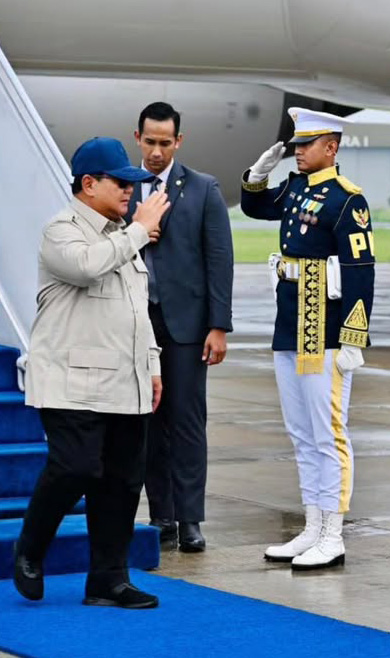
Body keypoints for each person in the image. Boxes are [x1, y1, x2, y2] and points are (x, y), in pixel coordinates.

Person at [12, 137, 169, 608]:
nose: (130, 192)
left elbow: (137, 311)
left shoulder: (122, 238)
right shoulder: (63, 230)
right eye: (121, 183)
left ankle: (108, 579)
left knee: (122, 481)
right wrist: (139, 231)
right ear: (88, 184)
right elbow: (84, 268)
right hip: (70, 381)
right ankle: (30, 549)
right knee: (76, 466)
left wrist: (154, 365)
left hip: (127, 381)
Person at [241, 107, 374, 570]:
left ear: (331, 148)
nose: (297, 152)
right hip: (290, 322)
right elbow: (255, 206)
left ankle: (333, 534)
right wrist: (257, 176)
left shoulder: (347, 200)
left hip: (325, 327)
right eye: (296, 145)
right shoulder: (297, 188)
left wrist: (353, 337)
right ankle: (312, 527)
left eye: (305, 145)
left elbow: (360, 273)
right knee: (300, 435)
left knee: (327, 433)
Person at [126, 101, 234, 553]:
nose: (155, 151)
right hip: (136, 324)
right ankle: (162, 515)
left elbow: (219, 260)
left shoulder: (204, 189)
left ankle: (190, 519)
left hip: (188, 326)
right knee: (147, 422)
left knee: (187, 422)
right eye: (149, 142)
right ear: (137, 139)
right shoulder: (125, 190)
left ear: (179, 142)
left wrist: (219, 326)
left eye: (164, 143)